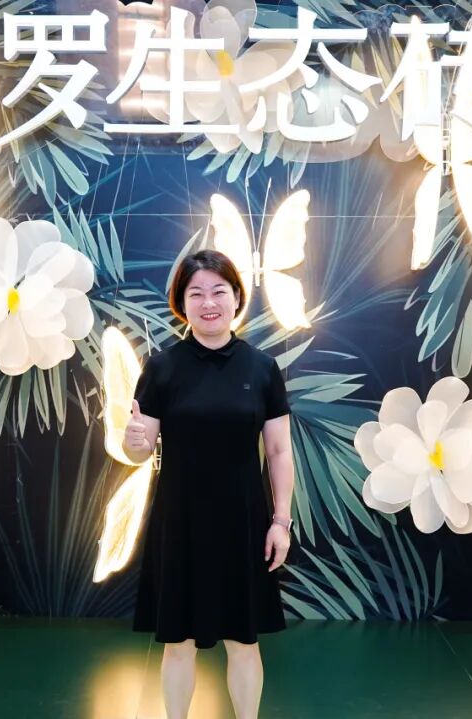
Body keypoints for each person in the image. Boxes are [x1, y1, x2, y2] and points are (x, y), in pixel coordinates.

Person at [123, 249, 295, 719]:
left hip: (244, 522)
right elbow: (140, 448)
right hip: (179, 522)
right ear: (182, 304)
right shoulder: (162, 368)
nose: (209, 302)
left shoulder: (262, 368)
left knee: (244, 641)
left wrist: (280, 522)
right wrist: (133, 441)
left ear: (237, 297)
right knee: (177, 643)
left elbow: (279, 452)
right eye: (196, 293)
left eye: (219, 291)